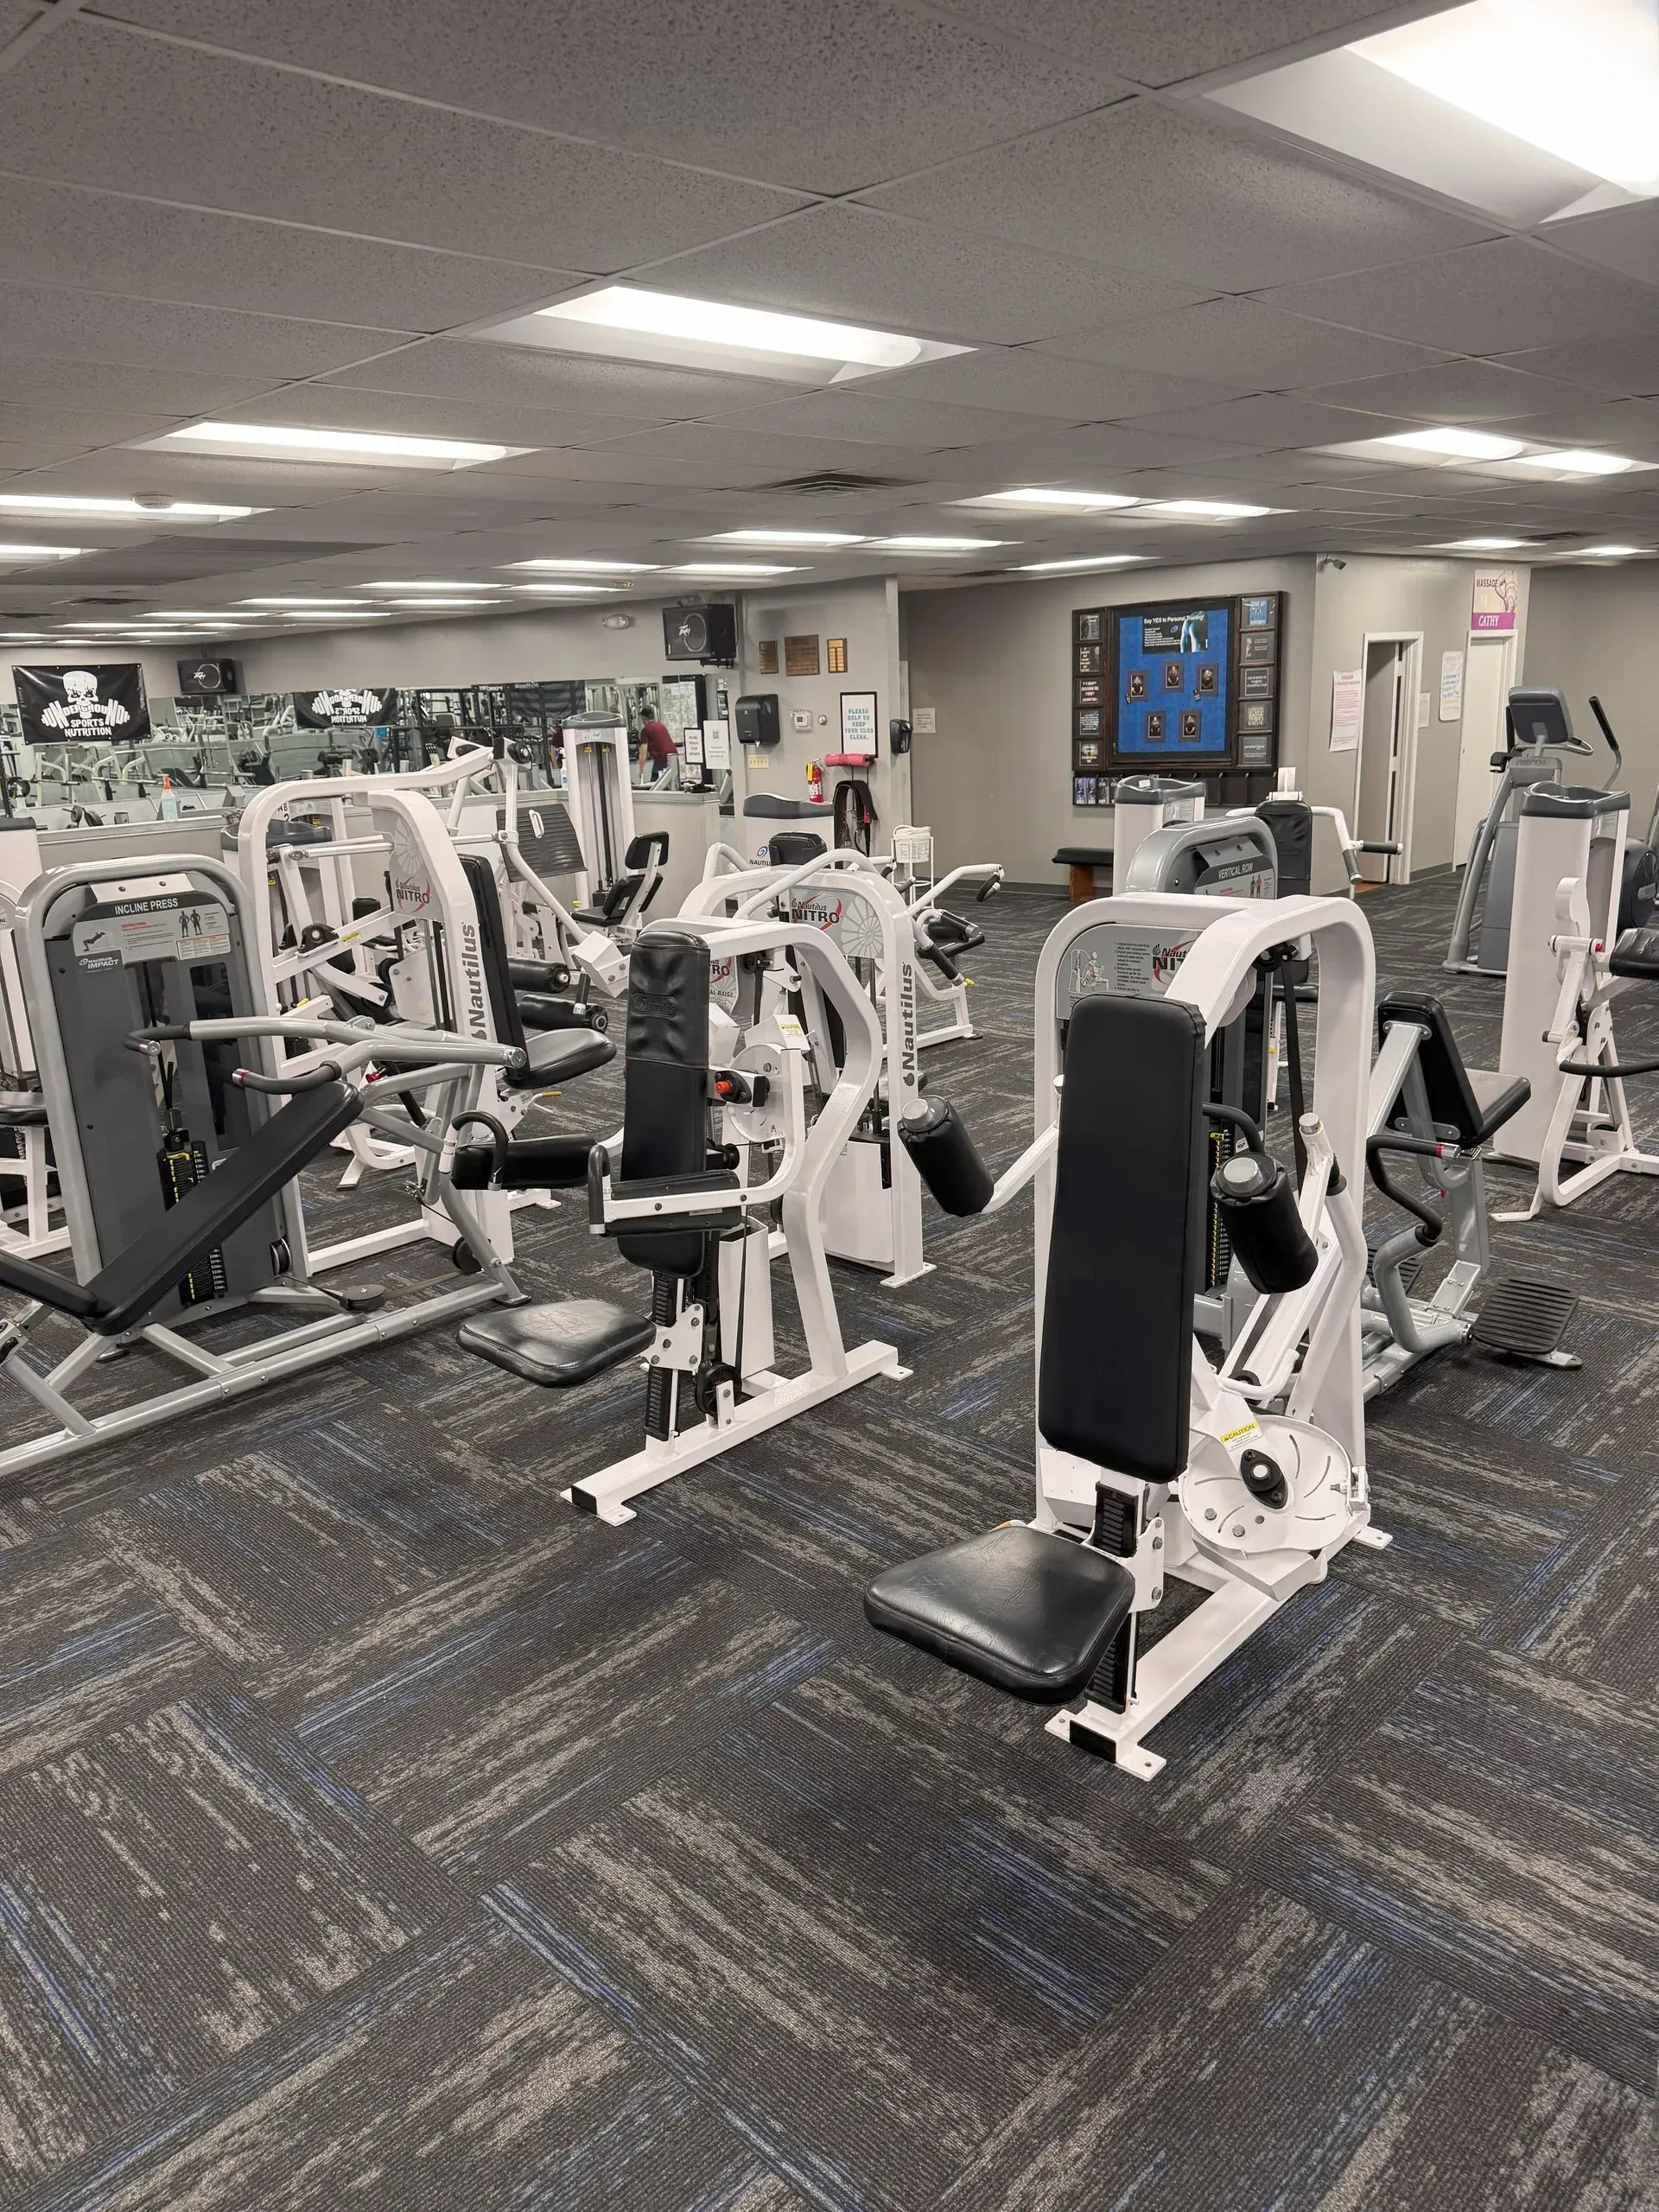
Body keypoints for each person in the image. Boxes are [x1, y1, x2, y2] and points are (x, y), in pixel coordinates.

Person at [636, 712, 677, 781]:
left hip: (661, 758)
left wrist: (641, 770)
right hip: (674, 757)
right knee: (672, 782)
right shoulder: (661, 725)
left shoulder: (646, 730)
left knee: (655, 783)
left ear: (643, 718)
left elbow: (643, 752)